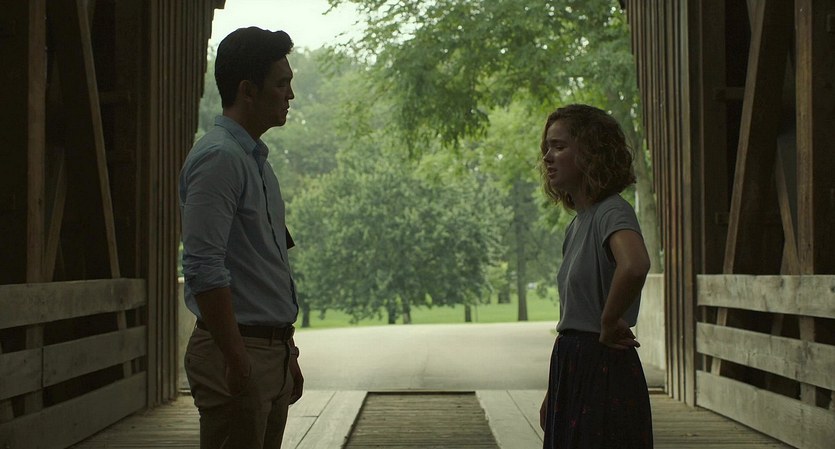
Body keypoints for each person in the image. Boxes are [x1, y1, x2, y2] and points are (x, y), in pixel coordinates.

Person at [179, 27, 303, 449]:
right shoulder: (220, 159)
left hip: (268, 352)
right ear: (248, 90)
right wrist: (237, 358)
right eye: (281, 84)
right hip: (239, 352)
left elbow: (266, 266)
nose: (290, 95)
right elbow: (203, 267)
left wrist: (287, 352)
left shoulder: (256, 162)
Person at [537, 104, 653, 448]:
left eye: (559, 146)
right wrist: (554, 392)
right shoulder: (577, 224)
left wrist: (609, 319)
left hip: (602, 368)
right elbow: (572, 318)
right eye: (547, 147)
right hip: (573, 365)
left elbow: (635, 264)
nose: (547, 157)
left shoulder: (611, 211)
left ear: (591, 153)